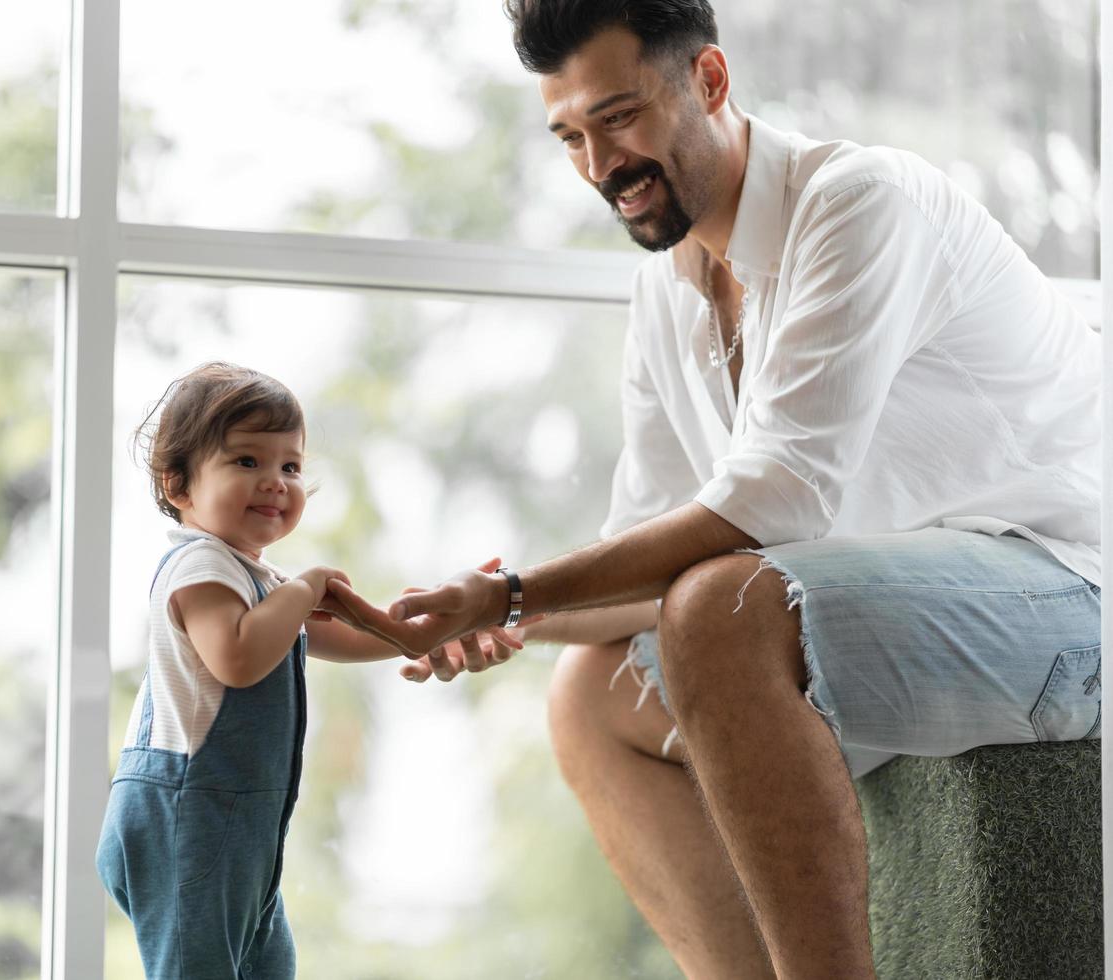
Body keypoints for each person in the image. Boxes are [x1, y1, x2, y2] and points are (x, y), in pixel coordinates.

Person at [326, 2, 1103, 977]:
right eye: (570, 135)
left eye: (619, 118)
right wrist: (448, 616)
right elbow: (637, 563)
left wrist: (515, 593)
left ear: (710, 81)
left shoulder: (859, 200)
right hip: (902, 622)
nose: (600, 164)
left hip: (1072, 593)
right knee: (591, 692)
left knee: (721, 606)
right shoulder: (668, 291)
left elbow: (775, 503)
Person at [93, 362, 490, 979]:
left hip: (241, 829)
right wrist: (305, 587)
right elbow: (239, 657)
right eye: (248, 462)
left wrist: (423, 628)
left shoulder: (256, 579)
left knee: (268, 965)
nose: (276, 482)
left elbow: (334, 637)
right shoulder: (200, 566)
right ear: (179, 486)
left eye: (291, 466)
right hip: (188, 819)